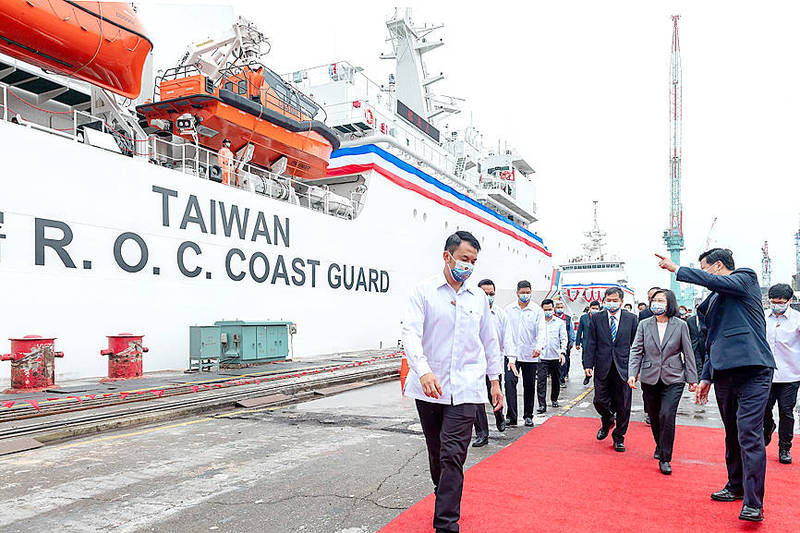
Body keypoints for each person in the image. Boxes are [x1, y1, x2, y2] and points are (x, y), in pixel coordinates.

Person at [657, 248, 775, 522]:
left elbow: (720, 282)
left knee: (749, 434)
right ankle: (735, 485)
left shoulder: (745, 278)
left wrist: (677, 270)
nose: (705, 274)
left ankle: (753, 503)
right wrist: (706, 377)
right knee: (732, 433)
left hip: (753, 370)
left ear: (718, 266)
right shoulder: (708, 304)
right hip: (723, 374)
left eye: (705, 268)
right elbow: (710, 343)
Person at [401, 231, 503, 533]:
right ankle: (442, 491)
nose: (468, 266)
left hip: (467, 388)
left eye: (473, 261)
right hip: (430, 388)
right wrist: (423, 370)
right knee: (437, 452)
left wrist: (494, 381)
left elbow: (490, 341)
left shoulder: (479, 299)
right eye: (464, 259)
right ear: (447, 256)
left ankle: (446, 524)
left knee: (453, 454)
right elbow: (410, 333)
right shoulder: (423, 292)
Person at [628, 289, 698, 475]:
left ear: (670, 304)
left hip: (674, 377)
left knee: (667, 415)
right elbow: (636, 350)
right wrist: (632, 373)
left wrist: (692, 378)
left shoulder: (680, 325)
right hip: (650, 377)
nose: (656, 303)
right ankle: (660, 444)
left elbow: (688, 352)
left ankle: (666, 458)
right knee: (655, 416)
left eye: (661, 300)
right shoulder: (644, 324)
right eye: (654, 300)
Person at [583, 287, 638, 451]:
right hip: (602, 365)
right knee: (599, 400)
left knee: (623, 404)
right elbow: (590, 343)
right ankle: (607, 420)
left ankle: (619, 437)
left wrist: (636, 369)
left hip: (624, 367)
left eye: (615, 300)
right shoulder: (596, 318)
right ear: (604, 301)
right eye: (608, 300)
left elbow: (636, 345)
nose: (611, 303)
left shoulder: (632, 319)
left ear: (621, 301)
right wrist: (587, 364)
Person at [473, 278, 516, 447]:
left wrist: (511, 359)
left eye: (491, 294)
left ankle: (499, 416)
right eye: (485, 294)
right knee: (477, 400)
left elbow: (508, 338)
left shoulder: (500, 315)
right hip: (474, 364)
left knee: (495, 395)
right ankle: (482, 434)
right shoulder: (471, 313)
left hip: (494, 363)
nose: (489, 297)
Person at [763, 283, 800, 465]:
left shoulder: (797, 320)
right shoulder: (762, 317)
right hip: (765, 374)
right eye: (773, 302)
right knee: (762, 409)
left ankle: (785, 447)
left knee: (786, 411)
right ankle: (768, 427)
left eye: (780, 302)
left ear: (790, 301)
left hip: (790, 375)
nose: (776, 305)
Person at [506, 281, 545, 427]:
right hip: (512, 355)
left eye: (528, 292)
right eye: (522, 292)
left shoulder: (537, 311)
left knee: (529, 385)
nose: (525, 295)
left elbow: (542, 331)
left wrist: (538, 347)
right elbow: (506, 332)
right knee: (510, 383)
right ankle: (511, 416)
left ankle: (528, 415)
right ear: (517, 293)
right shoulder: (509, 309)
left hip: (530, 355)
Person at [538, 299, 567, 411]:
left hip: (555, 356)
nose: (548, 312)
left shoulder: (559, 323)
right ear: (542, 309)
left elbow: (563, 338)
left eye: (550, 309)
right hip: (542, 357)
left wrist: (562, 352)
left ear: (553, 308)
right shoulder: (538, 322)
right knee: (541, 381)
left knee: (556, 379)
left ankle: (554, 398)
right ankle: (542, 404)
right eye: (545, 310)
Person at [576, 301, 601, 385]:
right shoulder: (583, 318)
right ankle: (587, 375)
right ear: (589, 308)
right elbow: (580, 330)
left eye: (596, 309)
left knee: (598, 361)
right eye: (593, 308)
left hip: (599, 344)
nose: (594, 310)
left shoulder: (601, 318)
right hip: (586, 343)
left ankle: (597, 378)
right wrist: (577, 343)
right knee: (585, 360)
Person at [555, 301, 574, 387]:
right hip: (554, 343)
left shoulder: (568, 318)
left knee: (564, 361)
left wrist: (571, 341)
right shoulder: (552, 317)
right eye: (558, 307)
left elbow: (571, 331)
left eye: (561, 307)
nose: (560, 309)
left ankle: (561, 379)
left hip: (565, 343)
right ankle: (556, 377)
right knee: (555, 362)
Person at [687, 312, 707, 389]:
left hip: (704, 345)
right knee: (698, 363)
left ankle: (703, 380)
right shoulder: (690, 320)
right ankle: (699, 381)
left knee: (704, 362)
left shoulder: (706, 319)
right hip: (694, 345)